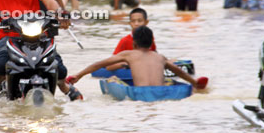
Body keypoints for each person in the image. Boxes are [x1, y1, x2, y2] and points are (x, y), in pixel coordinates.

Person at [66, 26, 207, 90]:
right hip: (162, 91)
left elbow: (99, 64)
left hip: (140, 95)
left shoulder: (129, 54)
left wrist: (78, 76)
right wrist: (194, 83)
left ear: (134, 43)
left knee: (112, 80)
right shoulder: (160, 57)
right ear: (152, 43)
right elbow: (180, 72)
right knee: (169, 81)